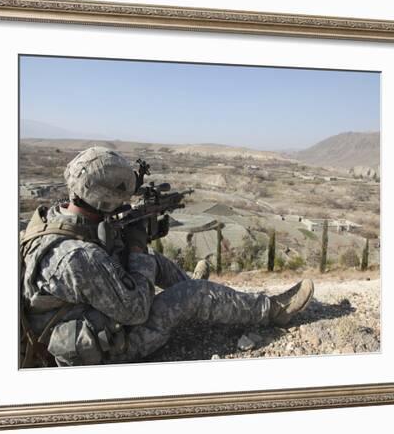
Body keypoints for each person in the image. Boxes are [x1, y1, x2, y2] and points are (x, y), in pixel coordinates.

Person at [20, 147, 314, 367]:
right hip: (101, 351)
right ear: (105, 199)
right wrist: (136, 247)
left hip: (82, 316)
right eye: (122, 199)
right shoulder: (78, 258)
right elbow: (135, 311)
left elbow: (98, 262)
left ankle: (208, 299)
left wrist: (127, 240)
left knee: (158, 265)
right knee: (189, 293)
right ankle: (274, 310)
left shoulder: (53, 219)